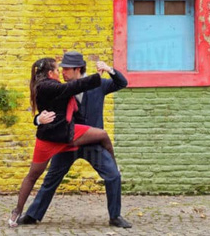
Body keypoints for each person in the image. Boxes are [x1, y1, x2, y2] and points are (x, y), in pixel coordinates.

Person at [17, 51, 132, 228]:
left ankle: (115, 216)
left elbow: (122, 83)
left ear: (77, 69)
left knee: (113, 175)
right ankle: (32, 215)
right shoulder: (60, 88)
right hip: (67, 142)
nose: (62, 72)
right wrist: (38, 120)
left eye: (66, 69)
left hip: (92, 143)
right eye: (61, 69)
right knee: (51, 179)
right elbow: (44, 112)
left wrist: (109, 69)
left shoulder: (99, 84)